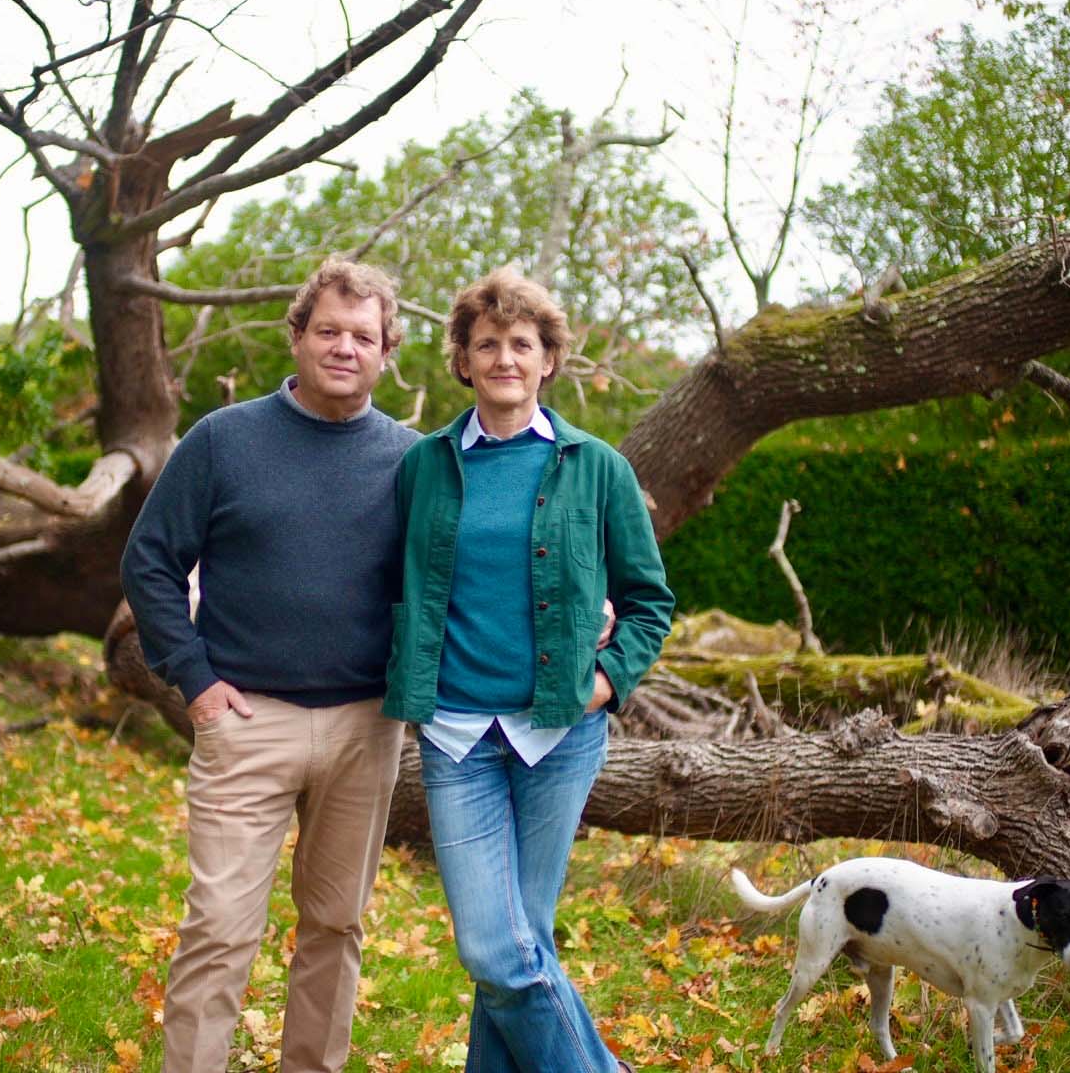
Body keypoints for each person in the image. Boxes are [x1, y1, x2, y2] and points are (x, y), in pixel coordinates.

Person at [120, 258, 418, 1073]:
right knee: (218, 929)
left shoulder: (413, 460)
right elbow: (149, 561)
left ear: (387, 350)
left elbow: (463, 572)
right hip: (245, 719)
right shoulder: (223, 441)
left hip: (367, 726)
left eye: (364, 335)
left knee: (335, 924)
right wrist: (195, 681)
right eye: (328, 330)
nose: (344, 347)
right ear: (297, 336)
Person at [383, 268, 675, 1073]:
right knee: (495, 946)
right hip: (455, 733)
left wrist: (607, 681)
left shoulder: (600, 468)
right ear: (464, 361)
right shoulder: (425, 467)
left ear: (548, 359)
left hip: (560, 733)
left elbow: (650, 601)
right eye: (487, 344)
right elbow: (390, 581)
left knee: (517, 946)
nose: (505, 358)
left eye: (522, 344)